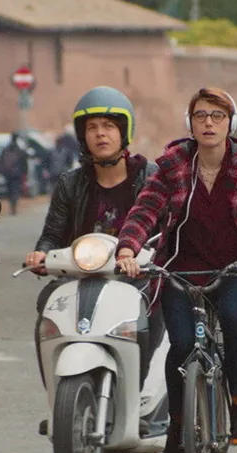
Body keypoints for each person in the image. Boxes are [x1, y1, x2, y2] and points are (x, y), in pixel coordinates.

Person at [114, 87, 237, 453]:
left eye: (217, 116)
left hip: (236, 268)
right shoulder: (174, 163)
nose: (209, 123)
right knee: (183, 343)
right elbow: (146, 209)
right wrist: (128, 249)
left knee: (233, 316)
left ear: (230, 123)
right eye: (201, 115)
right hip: (180, 268)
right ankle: (177, 427)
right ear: (189, 123)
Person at [24, 87, 162, 386]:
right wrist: (40, 254)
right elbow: (52, 235)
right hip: (81, 277)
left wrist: (149, 260)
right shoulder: (70, 183)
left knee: (156, 305)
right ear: (82, 135)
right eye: (92, 128)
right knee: (47, 302)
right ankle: (57, 390)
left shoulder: (150, 178)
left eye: (109, 126)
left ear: (124, 131)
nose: (101, 134)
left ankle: (141, 385)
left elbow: (166, 233)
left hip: (136, 276)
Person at [0, 133, 30, 215]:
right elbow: (24, 162)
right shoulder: (19, 150)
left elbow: (0, 160)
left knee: (10, 190)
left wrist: (2, 171)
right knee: (15, 190)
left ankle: (12, 206)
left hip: (8, 173)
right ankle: (13, 206)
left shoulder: (5, 149)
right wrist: (25, 172)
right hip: (17, 173)